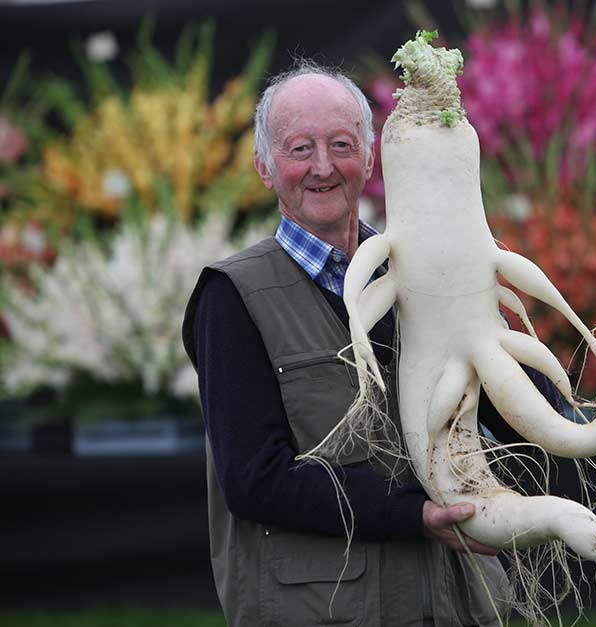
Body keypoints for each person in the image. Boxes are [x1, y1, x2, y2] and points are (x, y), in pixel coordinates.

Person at [182, 60, 562, 627]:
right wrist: (414, 514)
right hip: (326, 608)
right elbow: (256, 480)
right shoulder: (233, 296)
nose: (322, 168)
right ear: (265, 167)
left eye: (340, 144)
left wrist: (480, 306)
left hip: (456, 602)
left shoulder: (420, 273)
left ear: (369, 157)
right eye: (298, 149)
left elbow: (515, 421)